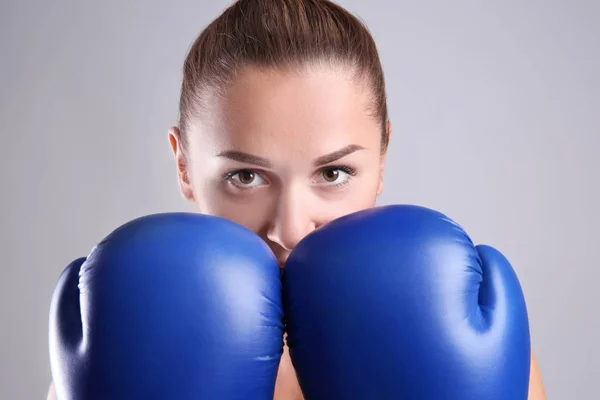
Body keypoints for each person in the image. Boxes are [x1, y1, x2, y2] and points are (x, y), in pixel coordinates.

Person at [47, 0, 547, 398]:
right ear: (184, 165)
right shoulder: (128, 340)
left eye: (334, 172)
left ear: (382, 157)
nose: (288, 231)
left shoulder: (454, 342)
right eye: (245, 176)